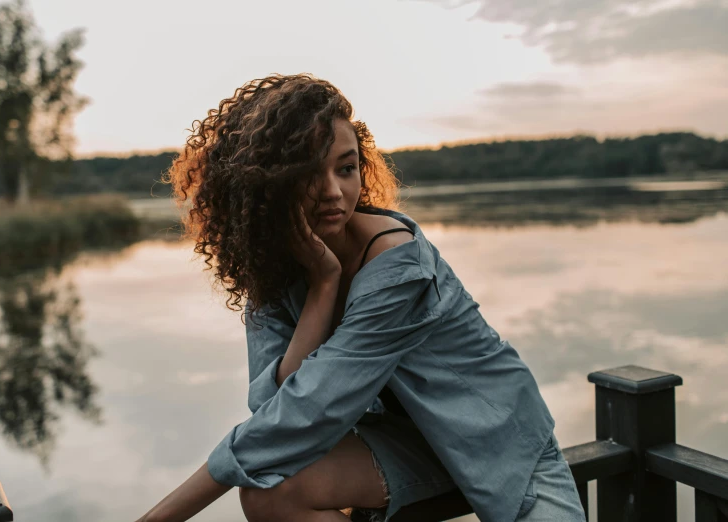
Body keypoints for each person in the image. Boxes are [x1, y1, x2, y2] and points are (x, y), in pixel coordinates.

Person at [135, 73, 586, 522]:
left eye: (346, 168)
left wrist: (164, 515)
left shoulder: (398, 266)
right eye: (310, 174)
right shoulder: (271, 264)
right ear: (266, 186)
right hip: (409, 442)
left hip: (498, 440)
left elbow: (311, 409)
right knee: (268, 493)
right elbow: (276, 413)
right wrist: (323, 286)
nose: (335, 191)